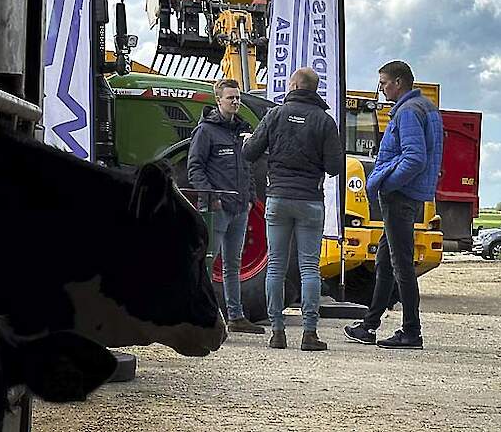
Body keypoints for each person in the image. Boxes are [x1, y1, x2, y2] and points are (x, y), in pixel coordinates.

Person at [343, 60, 443, 350]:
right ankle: (369, 325)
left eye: (384, 82)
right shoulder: (425, 108)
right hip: (408, 195)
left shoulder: (408, 112)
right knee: (385, 262)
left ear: (399, 82)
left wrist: (386, 183)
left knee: (401, 264)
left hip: (400, 197)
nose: (382, 88)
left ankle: (411, 331)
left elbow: (414, 159)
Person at [243, 68, 344, 351]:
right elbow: (335, 167)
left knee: (275, 264)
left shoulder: (274, 115)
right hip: (310, 201)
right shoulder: (325, 121)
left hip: (277, 198)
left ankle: (277, 331)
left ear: (296, 85)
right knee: (310, 267)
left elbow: (250, 153)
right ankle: (309, 333)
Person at [187, 78, 264, 335]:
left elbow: (247, 167)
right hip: (217, 209)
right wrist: (211, 198)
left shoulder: (241, 131)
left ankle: (236, 316)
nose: (236, 102)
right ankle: (203, 317)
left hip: (240, 207)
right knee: (208, 263)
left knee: (233, 264)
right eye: (231, 98)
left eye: (238, 97)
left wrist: (251, 196)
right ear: (218, 100)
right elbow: (194, 167)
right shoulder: (206, 131)